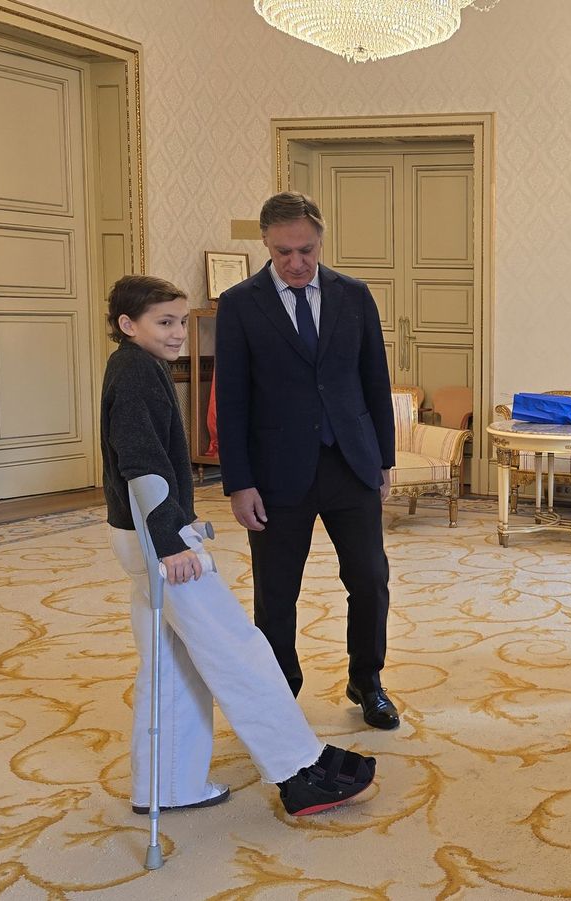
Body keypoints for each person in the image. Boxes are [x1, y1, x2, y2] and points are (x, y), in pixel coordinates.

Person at [101, 275, 376, 817]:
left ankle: (168, 785)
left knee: (172, 663)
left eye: (181, 321)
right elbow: (141, 466)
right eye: (165, 322)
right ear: (127, 326)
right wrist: (171, 542)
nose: (179, 333)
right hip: (161, 541)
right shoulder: (135, 375)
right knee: (237, 649)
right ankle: (299, 769)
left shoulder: (135, 366)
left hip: (144, 536)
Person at [215, 192, 399, 730]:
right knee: (276, 592)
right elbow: (232, 400)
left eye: (307, 251)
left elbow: (373, 381)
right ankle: (279, 689)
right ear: (266, 246)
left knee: (369, 579)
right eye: (283, 252)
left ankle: (367, 680)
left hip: (351, 463)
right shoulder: (240, 304)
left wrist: (383, 459)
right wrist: (238, 482)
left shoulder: (355, 296)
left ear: (321, 240)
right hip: (276, 474)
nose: (296, 263)